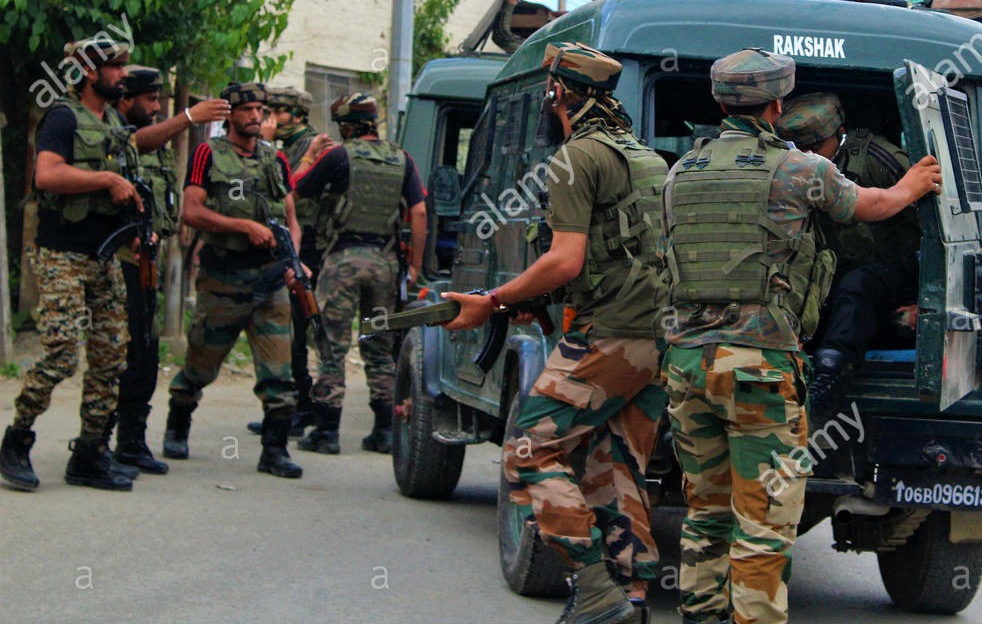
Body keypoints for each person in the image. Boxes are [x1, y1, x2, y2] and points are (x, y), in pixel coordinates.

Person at [661, 50, 941, 624]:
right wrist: (913, 183)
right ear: (777, 105)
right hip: (757, 368)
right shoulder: (797, 169)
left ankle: (701, 614)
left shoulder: (679, 173)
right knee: (764, 519)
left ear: (718, 104)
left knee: (707, 512)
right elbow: (872, 205)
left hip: (687, 365)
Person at [443, 43, 668, 624]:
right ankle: (631, 600)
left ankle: (594, 587)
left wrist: (492, 299)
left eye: (549, 90)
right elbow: (623, 253)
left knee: (527, 448)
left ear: (558, 94)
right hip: (654, 341)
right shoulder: (645, 157)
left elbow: (568, 259)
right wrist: (538, 300)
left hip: (608, 337)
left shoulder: (575, 157)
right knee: (613, 463)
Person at [0, 39, 224, 492]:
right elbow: (46, 174)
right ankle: (16, 439)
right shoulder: (62, 117)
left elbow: (137, 143)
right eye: (115, 66)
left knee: (110, 356)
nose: (123, 74)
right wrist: (105, 178)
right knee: (63, 355)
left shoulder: (114, 119)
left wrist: (186, 120)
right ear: (88, 72)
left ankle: (89, 452)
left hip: (105, 254)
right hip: (62, 253)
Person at [163, 82, 305, 480]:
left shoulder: (275, 159)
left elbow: (292, 221)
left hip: (270, 279)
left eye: (261, 109)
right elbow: (191, 211)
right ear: (230, 115)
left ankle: (274, 450)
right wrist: (241, 225)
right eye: (248, 110)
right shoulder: (209, 153)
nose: (256, 116)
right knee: (200, 365)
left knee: (279, 372)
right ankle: (178, 421)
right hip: (224, 278)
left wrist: (293, 258)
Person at [775, 92, 922, 427]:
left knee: (857, 286)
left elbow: (927, 227)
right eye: (801, 147)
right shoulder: (790, 168)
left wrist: (923, 300)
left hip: (890, 270)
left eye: (816, 146)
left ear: (839, 132)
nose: (809, 154)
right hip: (831, 270)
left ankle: (830, 374)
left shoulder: (878, 160)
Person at [107, 66, 228, 475]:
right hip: (114, 265)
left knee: (144, 354)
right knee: (116, 357)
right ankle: (97, 442)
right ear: (125, 101)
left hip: (145, 264)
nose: (157, 107)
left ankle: (131, 441)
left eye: (161, 99)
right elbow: (129, 147)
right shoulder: (112, 137)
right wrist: (191, 118)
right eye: (150, 99)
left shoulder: (156, 143)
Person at [293, 93, 426, 455]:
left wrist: (308, 156)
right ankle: (384, 431)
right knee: (379, 348)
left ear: (347, 127)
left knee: (331, 346)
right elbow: (419, 212)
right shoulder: (403, 159)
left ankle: (327, 432)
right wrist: (414, 266)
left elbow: (296, 188)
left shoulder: (338, 156)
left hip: (341, 263)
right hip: (385, 266)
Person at [245, 86, 321, 438]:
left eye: (277, 111)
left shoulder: (309, 147)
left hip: (306, 249)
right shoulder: (287, 148)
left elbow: (282, 189)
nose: (268, 118)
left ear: (297, 114)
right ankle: (291, 405)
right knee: (286, 334)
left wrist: (267, 144)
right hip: (286, 246)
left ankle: (300, 407)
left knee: (295, 332)